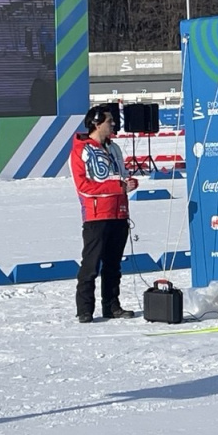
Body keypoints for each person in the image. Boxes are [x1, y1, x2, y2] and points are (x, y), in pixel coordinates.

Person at [70, 104, 139, 323]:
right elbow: (84, 186)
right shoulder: (81, 149)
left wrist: (129, 182)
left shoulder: (115, 148)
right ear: (96, 123)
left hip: (119, 214)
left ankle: (111, 306)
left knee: (113, 266)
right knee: (91, 265)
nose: (113, 124)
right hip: (97, 216)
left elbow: (122, 175)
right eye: (109, 121)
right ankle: (85, 309)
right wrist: (117, 188)